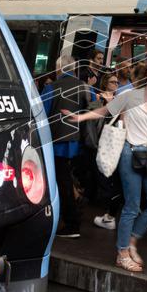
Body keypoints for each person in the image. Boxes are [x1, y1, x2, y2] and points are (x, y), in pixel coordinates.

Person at [67, 61, 147, 273]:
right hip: (130, 152)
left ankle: (132, 241)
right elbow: (105, 110)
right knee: (132, 205)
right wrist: (81, 117)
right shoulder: (130, 96)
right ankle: (122, 253)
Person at [46, 54, 86, 238]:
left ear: (59, 68)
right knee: (69, 179)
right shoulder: (85, 87)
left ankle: (71, 223)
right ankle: (74, 212)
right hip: (80, 142)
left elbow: (40, 114)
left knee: (62, 182)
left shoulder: (51, 88)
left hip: (57, 143)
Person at [91, 70, 123, 231]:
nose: (116, 84)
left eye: (117, 82)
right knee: (101, 173)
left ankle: (108, 203)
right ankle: (104, 203)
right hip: (99, 139)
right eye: (112, 82)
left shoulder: (118, 100)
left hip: (112, 141)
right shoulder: (98, 98)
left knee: (110, 174)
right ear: (105, 83)